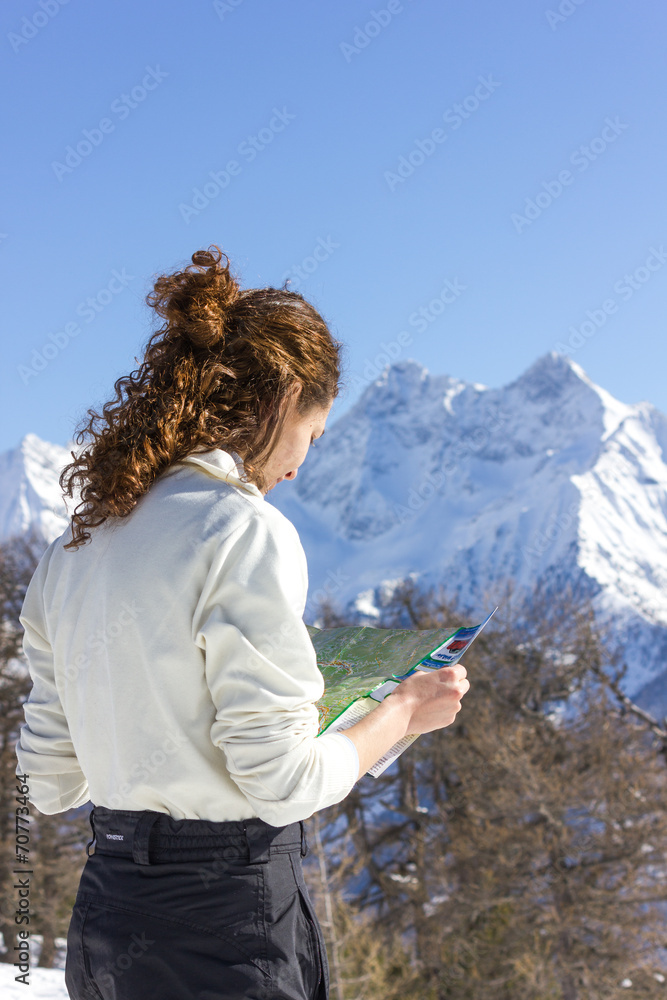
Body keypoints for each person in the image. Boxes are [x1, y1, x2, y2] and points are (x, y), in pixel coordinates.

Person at [15, 245, 470, 1000]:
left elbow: (52, 781)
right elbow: (282, 783)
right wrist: (397, 714)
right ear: (283, 401)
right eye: (312, 438)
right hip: (224, 925)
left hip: (107, 919)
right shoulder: (241, 530)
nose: (297, 468)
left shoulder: (78, 546)